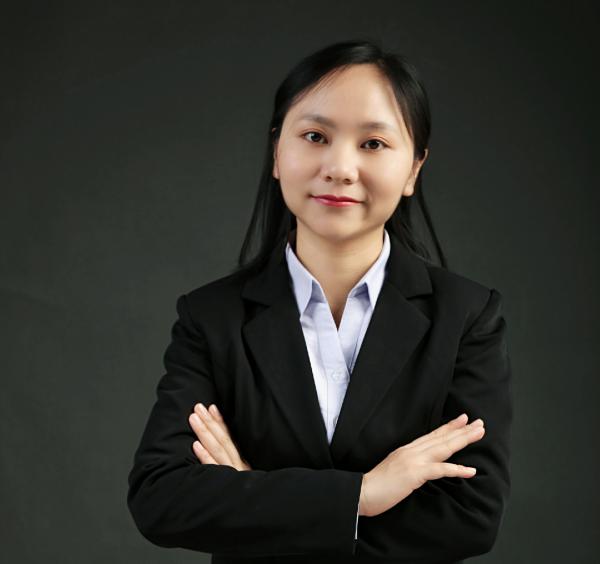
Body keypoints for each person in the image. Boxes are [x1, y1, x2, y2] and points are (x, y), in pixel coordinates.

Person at [127, 39, 513, 564]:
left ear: (414, 169)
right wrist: (364, 495)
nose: (340, 167)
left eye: (373, 143)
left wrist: (254, 495)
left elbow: (470, 520)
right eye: (315, 136)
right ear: (277, 153)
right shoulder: (211, 317)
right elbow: (160, 499)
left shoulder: (465, 316)